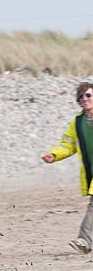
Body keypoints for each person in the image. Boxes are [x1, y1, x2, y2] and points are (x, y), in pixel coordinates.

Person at [41, 81, 93, 254]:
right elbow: (68, 144)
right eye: (81, 96)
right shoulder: (78, 123)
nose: (85, 99)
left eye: (88, 95)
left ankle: (84, 241)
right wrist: (54, 155)